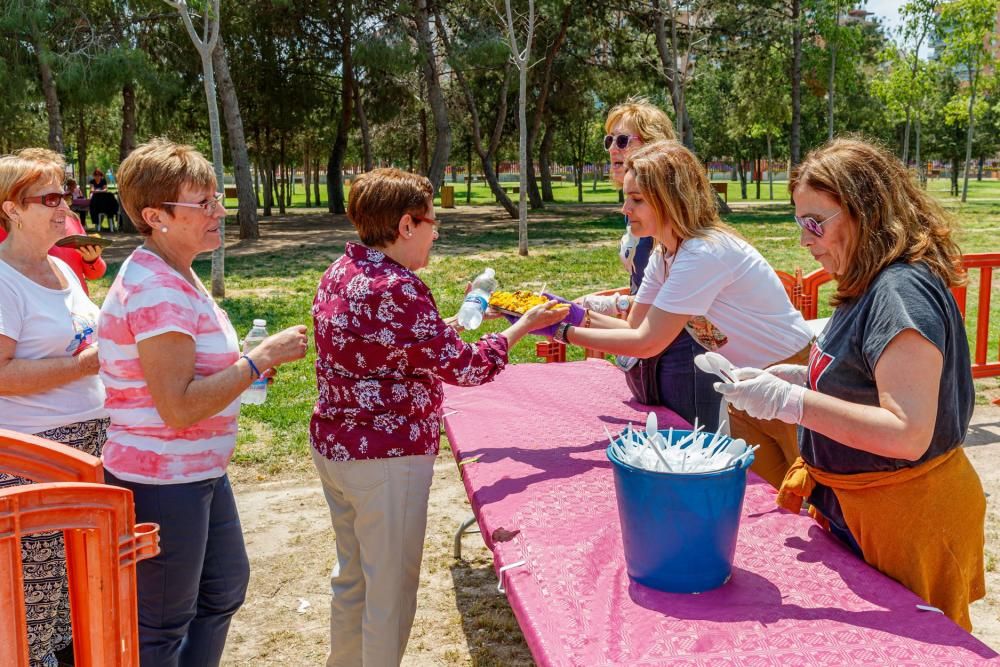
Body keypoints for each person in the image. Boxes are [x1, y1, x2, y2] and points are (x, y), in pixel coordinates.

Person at [712, 137, 984, 631]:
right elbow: (869, 378)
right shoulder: (869, 279)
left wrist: (793, 401)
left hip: (907, 517)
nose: (805, 239)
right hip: (870, 510)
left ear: (867, 213)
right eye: (800, 223)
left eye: (815, 223)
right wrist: (804, 377)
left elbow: (906, 431)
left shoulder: (899, 289)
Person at [310, 167, 567, 666]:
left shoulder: (344, 270)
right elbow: (467, 368)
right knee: (389, 591)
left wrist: (471, 321)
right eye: (432, 221)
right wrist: (523, 327)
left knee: (354, 579)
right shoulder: (399, 288)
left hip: (337, 447)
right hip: (386, 457)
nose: (436, 231)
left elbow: (395, 344)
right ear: (406, 225)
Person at [97, 138, 309, 666]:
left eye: (217, 198)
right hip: (164, 480)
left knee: (222, 590)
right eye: (205, 203)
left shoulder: (176, 273)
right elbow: (178, 408)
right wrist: (257, 361)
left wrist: (241, 376)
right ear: (156, 215)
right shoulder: (157, 287)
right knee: (163, 626)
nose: (220, 211)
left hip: (195, 473)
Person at [540, 141, 812, 444]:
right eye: (626, 198)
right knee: (760, 490)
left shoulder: (702, 253)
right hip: (745, 382)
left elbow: (646, 343)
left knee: (806, 488)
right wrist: (569, 314)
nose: (625, 209)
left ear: (671, 200)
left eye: (637, 199)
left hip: (791, 376)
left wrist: (561, 331)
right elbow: (634, 327)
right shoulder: (666, 253)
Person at [0, 147, 107, 667]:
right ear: (12, 208)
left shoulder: (62, 270)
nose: (65, 204)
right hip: (34, 463)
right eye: (50, 197)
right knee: (39, 607)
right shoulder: (3, 280)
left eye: (65, 192)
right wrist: (86, 366)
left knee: (84, 593)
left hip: (87, 452)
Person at [0, 210, 107, 296]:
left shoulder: (71, 219)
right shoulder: (7, 227)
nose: (61, 204)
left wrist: (92, 260)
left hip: (77, 312)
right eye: (51, 198)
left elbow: (95, 274)